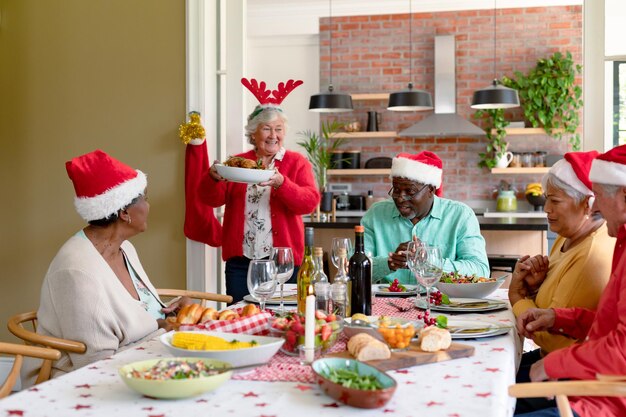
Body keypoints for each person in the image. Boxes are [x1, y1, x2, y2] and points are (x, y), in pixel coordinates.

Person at [23, 150, 190, 386]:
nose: (149, 206)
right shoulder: (76, 271)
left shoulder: (125, 249)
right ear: (124, 213)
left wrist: (172, 314)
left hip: (142, 362)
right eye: (145, 198)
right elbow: (95, 362)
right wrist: (165, 327)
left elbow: (141, 314)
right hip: (82, 384)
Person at [515, 144, 626, 417]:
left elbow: (621, 351)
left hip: (602, 402)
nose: (595, 206)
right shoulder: (621, 245)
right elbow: (607, 327)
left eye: (598, 195)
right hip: (589, 389)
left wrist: (556, 364)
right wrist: (558, 317)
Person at [190, 78, 319, 303]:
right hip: (241, 262)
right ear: (253, 133)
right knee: (241, 314)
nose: (273, 135)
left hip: (283, 262)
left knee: (283, 316)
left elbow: (309, 202)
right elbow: (211, 199)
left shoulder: (296, 162)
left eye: (278, 129)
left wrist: (282, 184)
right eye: (267, 129)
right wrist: (213, 178)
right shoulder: (237, 163)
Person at [362, 151, 490, 284]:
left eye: (410, 191)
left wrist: (431, 261)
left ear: (431, 189)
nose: (400, 198)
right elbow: (353, 269)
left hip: (442, 302)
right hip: (386, 302)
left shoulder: (460, 216)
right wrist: (389, 264)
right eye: (396, 190)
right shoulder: (376, 214)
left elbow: (480, 270)